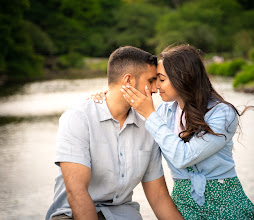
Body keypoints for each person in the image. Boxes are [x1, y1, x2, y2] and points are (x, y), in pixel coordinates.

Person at [106, 44, 254, 219]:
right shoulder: (164, 113)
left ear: (182, 78)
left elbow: (184, 157)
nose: (156, 86)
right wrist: (105, 98)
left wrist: (150, 115)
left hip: (225, 203)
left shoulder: (222, 113)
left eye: (161, 79)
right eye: (154, 79)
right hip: (182, 206)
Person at [45, 46, 184, 220]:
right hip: (72, 215)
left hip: (123, 215)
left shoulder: (149, 127)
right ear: (128, 81)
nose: (155, 89)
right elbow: (76, 193)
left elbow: (159, 197)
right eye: (150, 80)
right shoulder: (78, 119)